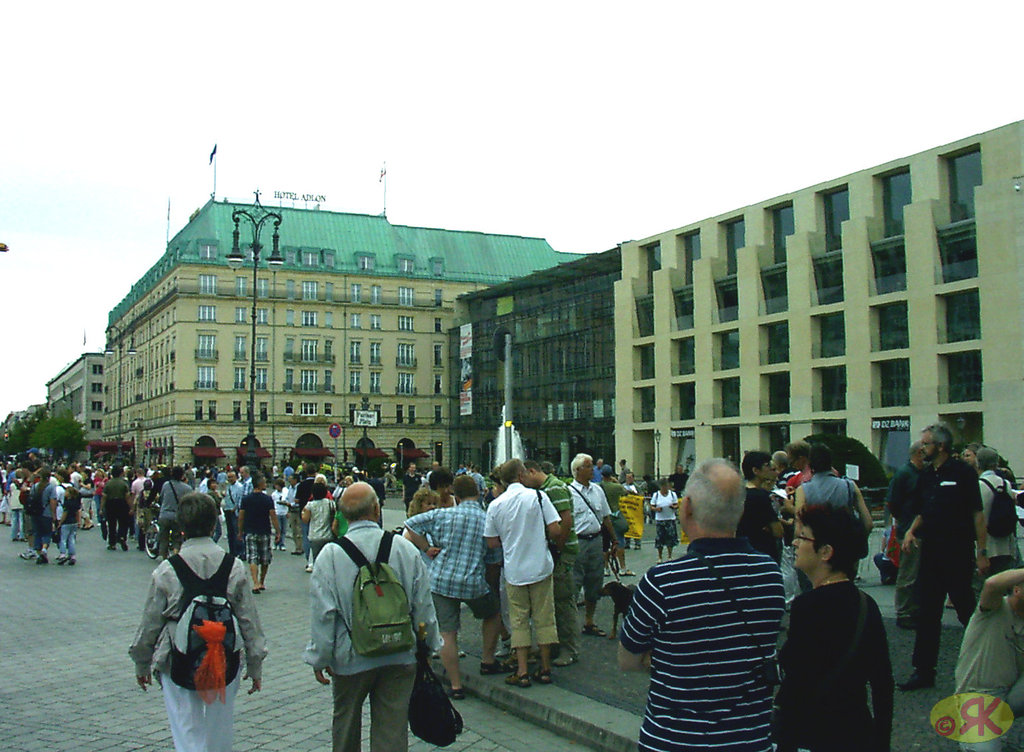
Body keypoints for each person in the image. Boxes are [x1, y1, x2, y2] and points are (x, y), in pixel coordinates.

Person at [618, 458, 786, 752]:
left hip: (674, 739)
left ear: (686, 508)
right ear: (741, 510)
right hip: (749, 741)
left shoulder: (662, 581)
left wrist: (672, 661)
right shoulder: (769, 574)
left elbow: (628, 659)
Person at [305, 481, 440, 752]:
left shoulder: (330, 555)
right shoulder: (403, 548)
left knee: (346, 723)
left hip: (351, 656)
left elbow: (324, 614)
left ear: (342, 514)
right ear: (377, 509)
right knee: (392, 728)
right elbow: (423, 604)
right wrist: (429, 646)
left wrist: (319, 656)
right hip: (400, 653)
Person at [129, 491, 267, 752]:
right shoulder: (234, 566)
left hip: (177, 657)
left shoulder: (168, 569)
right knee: (220, 728)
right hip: (224, 658)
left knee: (186, 727)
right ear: (215, 524)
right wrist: (255, 662)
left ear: (181, 527)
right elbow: (249, 620)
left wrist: (142, 661)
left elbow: (150, 622)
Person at [775, 503, 893, 751]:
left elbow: (797, 676)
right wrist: (882, 739)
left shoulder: (808, 606)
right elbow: (882, 681)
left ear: (826, 552)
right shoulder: (866, 604)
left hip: (814, 731)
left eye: (802, 537)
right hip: (855, 729)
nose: (795, 543)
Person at [900, 423, 988, 691]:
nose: (922, 447)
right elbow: (924, 509)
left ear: (940, 446)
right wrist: (911, 531)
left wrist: (982, 552)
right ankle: (923, 670)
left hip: (958, 551)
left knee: (966, 610)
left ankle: (986, 661)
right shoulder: (927, 474)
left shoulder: (962, 472)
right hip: (932, 552)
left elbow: (977, 513)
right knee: (927, 612)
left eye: (926, 443)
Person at [404, 474, 503, 698]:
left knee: (448, 632)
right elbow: (494, 557)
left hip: (441, 579)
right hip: (472, 581)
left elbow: (410, 524)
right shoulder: (486, 519)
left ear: (454, 495)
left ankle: (456, 685)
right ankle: (488, 659)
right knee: (493, 614)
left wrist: (427, 548)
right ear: (478, 493)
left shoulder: (443, 514)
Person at [485, 458, 561, 687]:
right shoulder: (538, 497)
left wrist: (509, 541)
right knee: (545, 618)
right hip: (540, 566)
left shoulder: (496, 504)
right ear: (520, 476)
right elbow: (556, 529)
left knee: (518, 620)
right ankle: (545, 668)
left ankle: (523, 670)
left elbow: (491, 542)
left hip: (515, 570)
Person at [954, 567, 1024, 752]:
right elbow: (992, 584)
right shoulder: (993, 608)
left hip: (1011, 694)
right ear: (1017, 590)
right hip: (979, 696)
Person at [522, 460, 579, 666]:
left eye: (524, 478)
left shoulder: (554, 488)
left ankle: (568, 648)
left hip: (561, 553)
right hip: (556, 551)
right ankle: (554, 646)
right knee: (552, 602)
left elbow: (566, 520)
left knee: (563, 602)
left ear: (532, 471)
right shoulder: (545, 488)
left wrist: (558, 548)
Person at [568, 453, 619, 637]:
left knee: (595, 581)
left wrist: (614, 539)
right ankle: (571, 624)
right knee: (574, 583)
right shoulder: (570, 492)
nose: (592, 470)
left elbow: (606, 516)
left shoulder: (598, 491)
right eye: (588, 467)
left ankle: (589, 621)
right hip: (578, 541)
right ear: (577, 470)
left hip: (596, 540)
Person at [888, 440, 926, 629]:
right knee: (908, 573)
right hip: (909, 529)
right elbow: (893, 503)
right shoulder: (904, 474)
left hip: (921, 529)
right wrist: (904, 521)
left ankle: (915, 609)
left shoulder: (921, 474)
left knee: (918, 573)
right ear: (919, 453)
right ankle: (903, 611)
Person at [977, 446, 1019, 576]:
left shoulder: (979, 485)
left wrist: (980, 551)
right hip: (1006, 545)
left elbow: (979, 518)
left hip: (988, 546)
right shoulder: (1005, 484)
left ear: (979, 463)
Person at [737, 450, 783, 564]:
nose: (771, 469)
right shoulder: (760, 496)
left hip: (744, 550)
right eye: (767, 466)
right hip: (763, 551)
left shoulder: (739, 493)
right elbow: (778, 531)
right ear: (755, 470)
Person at [238, 473, 280, 592]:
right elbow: (273, 515)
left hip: (250, 530)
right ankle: (261, 581)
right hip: (265, 530)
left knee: (253, 557)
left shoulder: (246, 499)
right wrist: (278, 531)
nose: (266, 484)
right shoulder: (267, 499)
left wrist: (240, 531)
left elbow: (241, 516)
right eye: (265, 482)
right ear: (260, 484)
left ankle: (255, 582)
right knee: (265, 558)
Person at [600, 464, 633, 576]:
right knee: (619, 542)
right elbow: (625, 491)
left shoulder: (598, 486)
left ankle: (606, 568)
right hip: (615, 514)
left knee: (605, 544)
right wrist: (616, 481)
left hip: (604, 517)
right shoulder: (616, 487)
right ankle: (623, 567)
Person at [302, 481, 336, 573]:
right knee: (328, 559)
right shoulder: (331, 503)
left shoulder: (310, 505)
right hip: (328, 534)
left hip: (315, 535)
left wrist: (303, 512)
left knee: (317, 559)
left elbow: (305, 519)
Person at [158, 466, 191, 560]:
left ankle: (164, 557)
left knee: (164, 537)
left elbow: (161, 498)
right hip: (178, 516)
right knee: (177, 538)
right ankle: (176, 555)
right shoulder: (187, 488)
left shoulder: (166, 485)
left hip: (164, 514)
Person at [103, 464, 132, 553]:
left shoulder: (108, 483)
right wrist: (131, 507)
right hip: (122, 503)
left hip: (110, 503)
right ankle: (122, 536)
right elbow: (127, 496)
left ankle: (112, 543)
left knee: (112, 524)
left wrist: (101, 508)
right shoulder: (124, 483)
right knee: (123, 522)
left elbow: (104, 496)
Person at [650, 478, 679, 563]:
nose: (665, 488)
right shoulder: (656, 495)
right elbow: (652, 506)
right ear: (661, 487)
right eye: (664, 486)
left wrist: (673, 507)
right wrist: (656, 509)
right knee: (660, 538)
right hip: (660, 519)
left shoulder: (672, 494)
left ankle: (670, 556)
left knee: (670, 538)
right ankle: (660, 557)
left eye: (666, 486)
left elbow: (676, 504)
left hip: (670, 518)